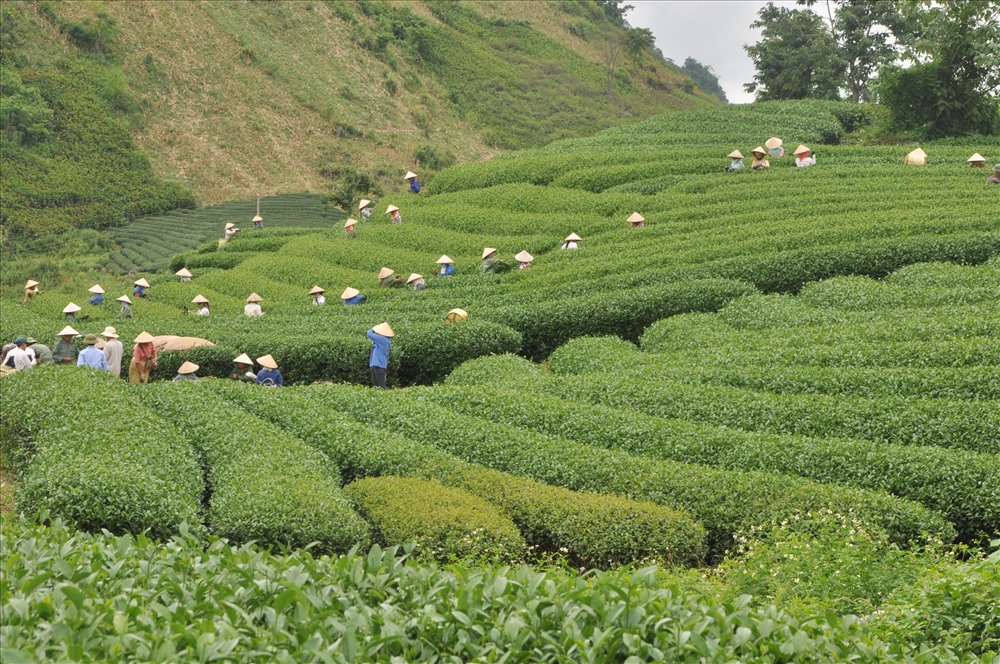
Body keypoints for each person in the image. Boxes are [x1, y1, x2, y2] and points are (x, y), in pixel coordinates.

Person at [367, 322, 394, 388]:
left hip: (379, 366)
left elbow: (369, 333)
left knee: (381, 387)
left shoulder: (383, 340)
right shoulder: (382, 341)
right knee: (376, 387)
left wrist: (374, 328)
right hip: (375, 365)